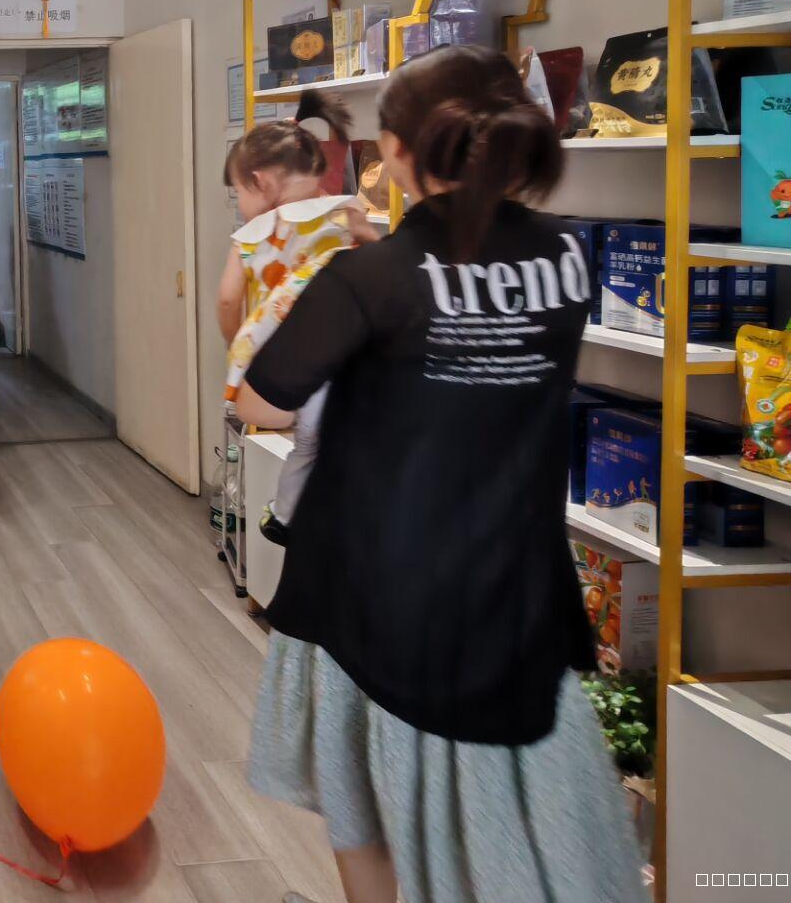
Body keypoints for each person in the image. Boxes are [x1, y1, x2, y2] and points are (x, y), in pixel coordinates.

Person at [236, 45, 642, 903]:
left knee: (365, 807)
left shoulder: (368, 277)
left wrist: (300, 287)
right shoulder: (569, 255)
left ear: (396, 152)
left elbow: (263, 403)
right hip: (516, 587)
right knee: (519, 824)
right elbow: (459, 307)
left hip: (377, 587)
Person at [217, 93, 372, 544]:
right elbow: (377, 262)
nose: (240, 204)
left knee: (301, 438)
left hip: (282, 361)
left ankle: (284, 515)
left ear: (260, 181)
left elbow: (228, 299)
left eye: (238, 192)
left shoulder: (251, 235)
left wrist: (237, 342)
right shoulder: (347, 213)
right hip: (343, 352)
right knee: (320, 435)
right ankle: (291, 513)